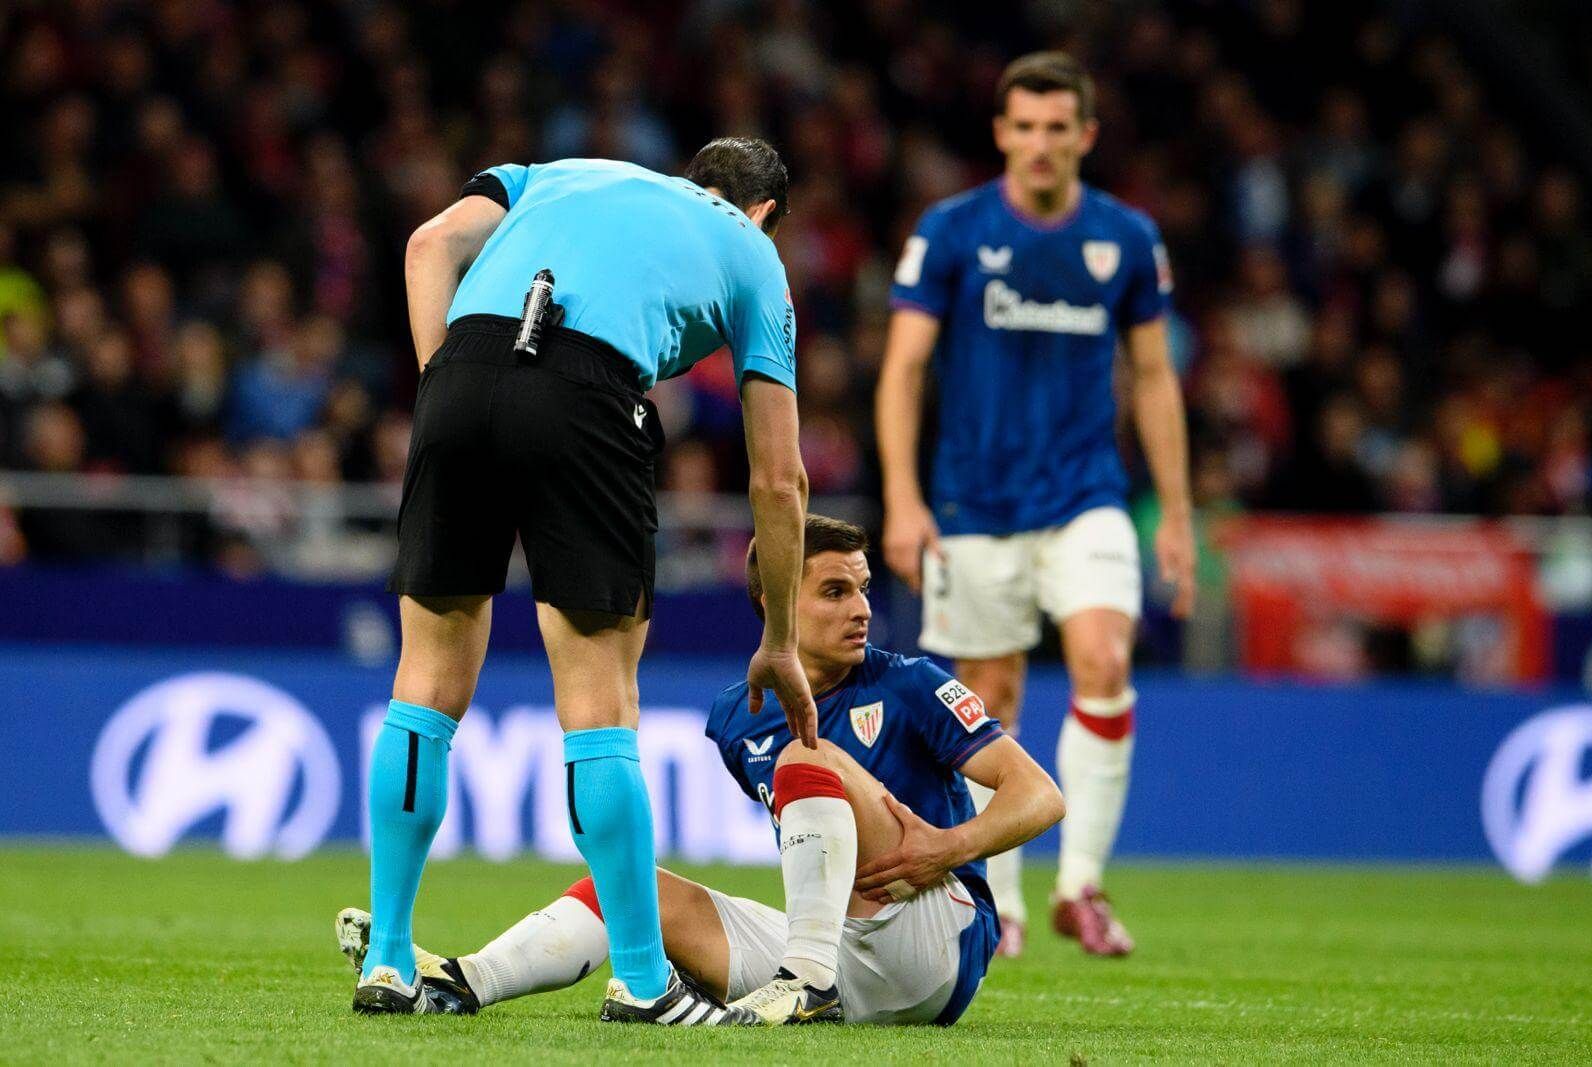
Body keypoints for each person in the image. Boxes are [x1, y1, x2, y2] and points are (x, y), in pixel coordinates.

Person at [356, 139, 818, 1026]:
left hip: (461, 368)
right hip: (587, 390)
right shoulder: (753, 251)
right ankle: (644, 981)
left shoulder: (560, 172)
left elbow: (427, 246)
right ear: (764, 213)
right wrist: (781, 636)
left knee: (423, 687)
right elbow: (779, 478)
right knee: (600, 700)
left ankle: (386, 959)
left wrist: (443, 385)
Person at [334, 515, 1063, 1025]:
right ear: (774, 602)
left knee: (807, 752)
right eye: (836, 590)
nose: (862, 608)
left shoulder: (910, 683)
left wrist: (948, 844)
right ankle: (461, 983)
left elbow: (1040, 793)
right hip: (839, 946)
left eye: (864, 587)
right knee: (632, 892)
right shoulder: (736, 716)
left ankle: (804, 983)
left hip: (934, 936)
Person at [875, 52, 1196, 958]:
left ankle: (1081, 884)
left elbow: (1153, 376)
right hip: (973, 502)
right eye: (1027, 126)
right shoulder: (952, 231)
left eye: (1061, 128)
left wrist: (1174, 511)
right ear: (1002, 133)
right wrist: (903, 497)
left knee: (1103, 655)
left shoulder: (1126, 238)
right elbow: (902, 369)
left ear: (1086, 135)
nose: (1043, 144)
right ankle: (1000, 902)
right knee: (990, 695)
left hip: (1086, 493)